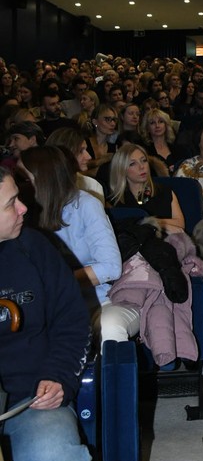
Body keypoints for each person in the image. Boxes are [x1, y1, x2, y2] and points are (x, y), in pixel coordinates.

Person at [0, 166, 91, 461]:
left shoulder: (35, 248)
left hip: (27, 397)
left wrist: (58, 377)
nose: (25, 209)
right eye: (11, 204)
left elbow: (73, 325)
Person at [21, 147, 139, 348]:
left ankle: (114, 379)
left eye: (24, 179)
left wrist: (58, 283)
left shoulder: (85, 205)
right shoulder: (23, 213)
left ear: (44, 179)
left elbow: (111, 267)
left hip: (100, 300)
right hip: (47, 305)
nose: (18, 184)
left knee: (109, 327)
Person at [108, 142, 185, 233]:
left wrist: (154, 223)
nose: (141, 167)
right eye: (133, 164)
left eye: (144, 160)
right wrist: (150, 223)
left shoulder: (164, 191)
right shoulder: (114, 201)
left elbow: (180, 224)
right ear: (121, 169)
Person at [46, 125, 105, 204]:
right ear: (63, 154)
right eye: (80, 151)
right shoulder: (40, 186)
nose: (89, 157)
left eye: (86, 150)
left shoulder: (93, 187)